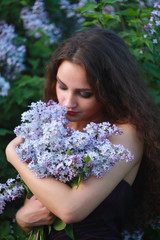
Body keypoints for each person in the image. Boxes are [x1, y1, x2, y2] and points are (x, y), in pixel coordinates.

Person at [6, 27, 160, 240]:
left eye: (85, 93)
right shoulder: (52, 126)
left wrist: (13, 155)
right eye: (62, 86)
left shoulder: (126, 134)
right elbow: (35, 206)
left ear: (111, 90)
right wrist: (23, 219)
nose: (68, 102)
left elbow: (70, 209)